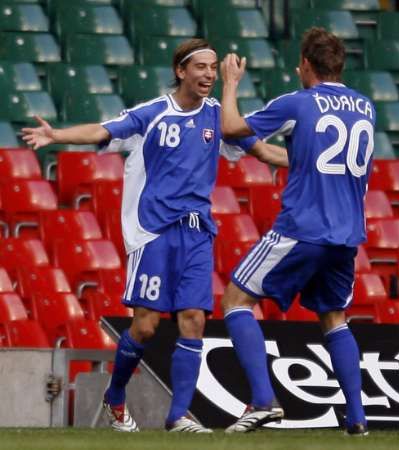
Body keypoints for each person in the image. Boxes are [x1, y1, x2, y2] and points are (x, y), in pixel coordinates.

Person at [21, 38, 288, 433]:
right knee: (145, 326)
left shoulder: (219, 116)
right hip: (153, 233)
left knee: (194, 319)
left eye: (214, 68)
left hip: (197, 233)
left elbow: (264, 152)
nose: (210, 75)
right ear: (181, 71)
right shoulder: (153, 113)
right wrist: (56, 136)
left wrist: (314, 162)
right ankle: (115, 396)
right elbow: (101, 130)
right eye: (201, 67)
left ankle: (178, 416)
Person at [219, 27, 374, 435]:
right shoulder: (365, 107)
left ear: (305, 65)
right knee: (334, 318)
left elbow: (231, 125)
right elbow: (304, 157)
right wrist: (255, 149)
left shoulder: (300, 102)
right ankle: (357, 419)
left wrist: (230, 84)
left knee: (235, 300)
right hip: (346, 236)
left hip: (303, 227)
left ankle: (263, 401)